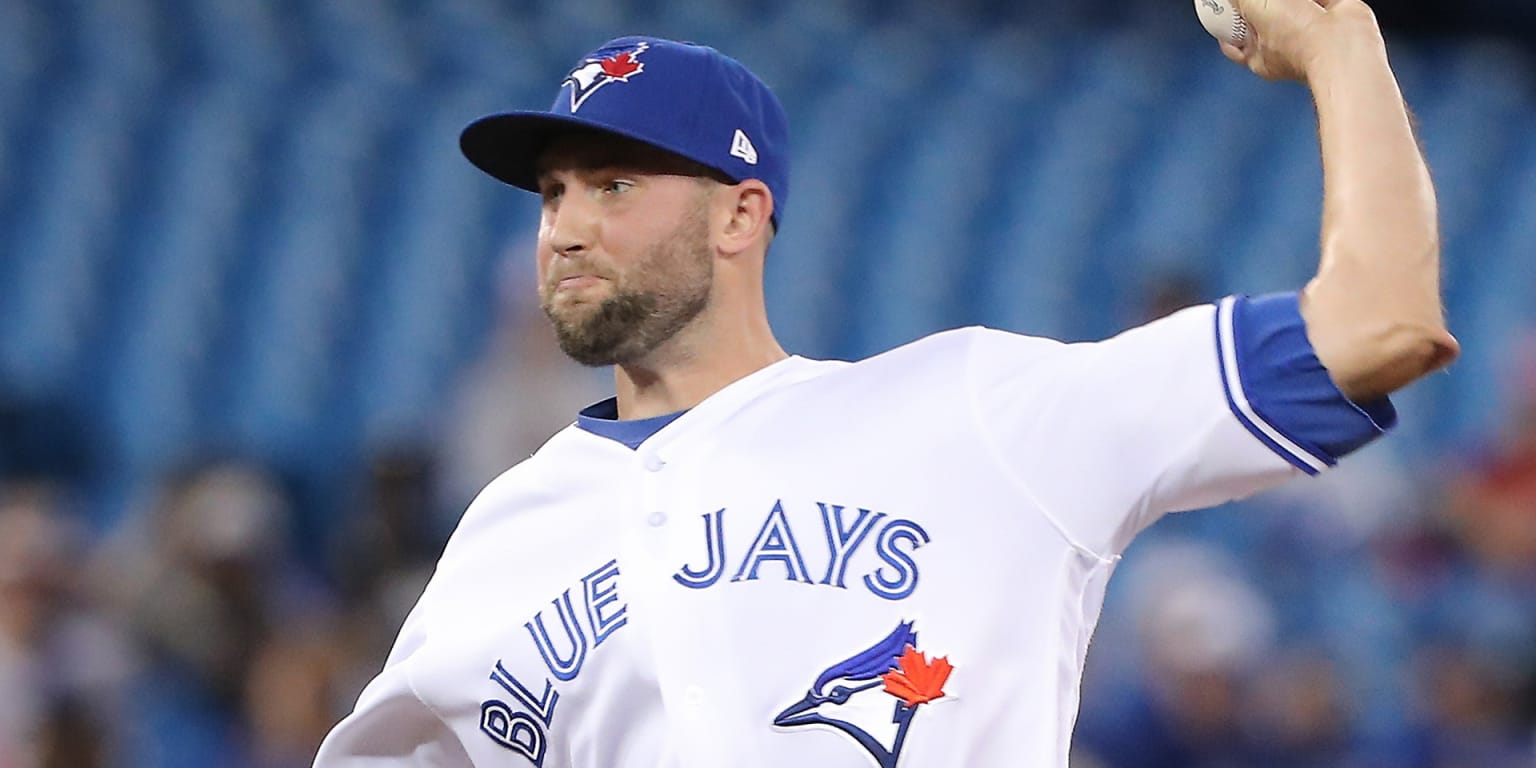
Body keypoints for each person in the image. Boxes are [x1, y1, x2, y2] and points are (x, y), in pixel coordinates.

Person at [313, 0, 1460, 764]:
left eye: (613, 184)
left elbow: (1381, 323)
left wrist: (1343, 44)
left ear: (740, 214)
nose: (563, 227)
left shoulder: (973, 413)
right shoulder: (508, 532)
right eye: (553, 192)